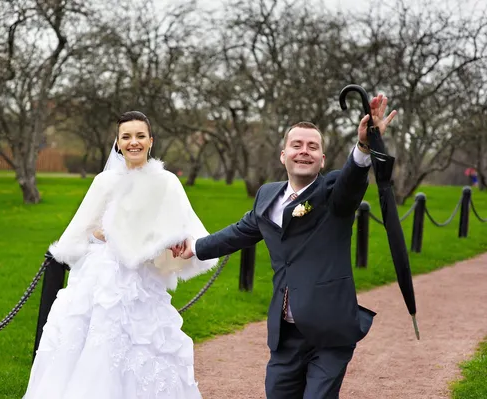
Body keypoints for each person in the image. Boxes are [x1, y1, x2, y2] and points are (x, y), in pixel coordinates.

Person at [179, 94, 397, 398]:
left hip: (330, 332)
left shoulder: (333, 192)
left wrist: (363, 147)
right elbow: (241, 231)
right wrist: (197, 247)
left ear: (322, 159)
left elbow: (352, 181)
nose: (304, 152)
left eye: (312, 147)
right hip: (286, 334)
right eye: (297, 145)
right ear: (283, 155)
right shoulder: (266, 196)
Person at [23, 111, 218, 399]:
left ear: (151, 141)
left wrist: (180, 240)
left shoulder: (166, 182)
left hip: (143, 280)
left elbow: (186, 227)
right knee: (97, 342)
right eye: (126, 136)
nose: (133, 142)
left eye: (140, 136)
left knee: (143, 343)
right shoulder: (105, 181)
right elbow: (80, 231)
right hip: (103, 278)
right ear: (118, 142)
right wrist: (100, 234)